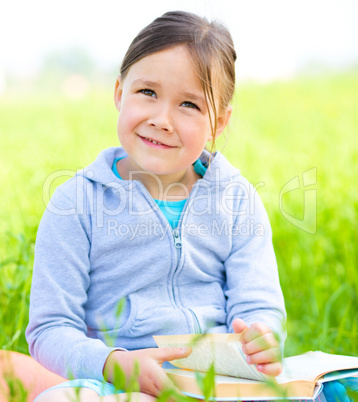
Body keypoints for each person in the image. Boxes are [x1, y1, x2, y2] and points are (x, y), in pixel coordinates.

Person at [26, 10, 287, 401]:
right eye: (147, 92)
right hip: (116, 382)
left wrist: (263, 337)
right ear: (119, 92)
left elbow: (259, 305)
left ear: (218, 122)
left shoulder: (237, 200)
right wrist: (112, 363)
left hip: (216, 382)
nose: (162, 119)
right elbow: (50, 329)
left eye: (189, 105)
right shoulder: (77, 204)